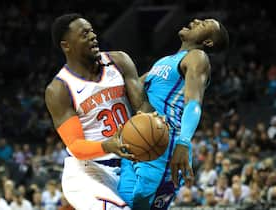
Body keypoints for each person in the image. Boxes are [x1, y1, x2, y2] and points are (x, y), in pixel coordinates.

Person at [118, 18, 229, 209]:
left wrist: (183, 142)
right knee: (123, 205)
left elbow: (194, 102)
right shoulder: (164, 61)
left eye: (203, 24)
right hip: (135, 141)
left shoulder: (197, 56)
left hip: (163, 144)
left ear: (208, 42)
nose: (195, 20)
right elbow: (131, 88)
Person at [45, 13, 153, 210]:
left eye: (92, 31)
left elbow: (142, 107)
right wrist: (107, 146)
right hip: (88, 172)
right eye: (84, 34)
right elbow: (76, 145)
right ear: (66, 45)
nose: (93, 36)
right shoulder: (60, 88)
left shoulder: (119, 61)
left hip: (127, 168)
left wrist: (152, 130)